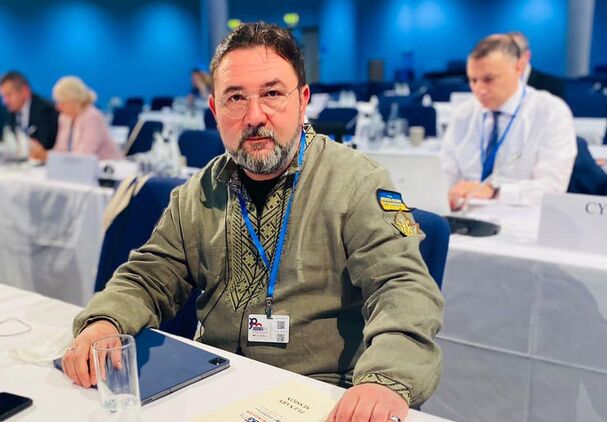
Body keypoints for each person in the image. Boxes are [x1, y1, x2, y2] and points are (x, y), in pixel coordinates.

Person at [62, 22, 443, 422]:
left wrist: (384, 380)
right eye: (236, 98)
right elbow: (150, 274)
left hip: (320, 395)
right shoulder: (199, 191)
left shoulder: (356, 182)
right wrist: (106, 321)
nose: (254, 116)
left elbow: (402, 287)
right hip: (214, 385)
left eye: (272, 94)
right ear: (215, 110)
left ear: (303, 101)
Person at [442, 34, 576, 210]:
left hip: (524, 218)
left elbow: (552, 188)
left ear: (519, 68)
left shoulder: (551, 112)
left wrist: (495, 192)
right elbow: (445, 176)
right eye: (473, 80)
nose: (479, 90)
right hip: (465, 216)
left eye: (489, 79)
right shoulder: (464, 114)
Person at [0, 71, 59, 161]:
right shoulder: (11, 111)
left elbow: (42, 147)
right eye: (3, 96)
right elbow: (8, 140)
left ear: (25, 91)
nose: (5, 101)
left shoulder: (46, 110)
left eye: (8, 95)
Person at [49, 76, 122, 160]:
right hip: (79, 165)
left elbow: (85, 153)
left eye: (62, 103)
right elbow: (60, 149)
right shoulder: (65, 118)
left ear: (74, 101)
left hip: (107, 165)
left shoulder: (92, 117)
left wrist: (48, 157)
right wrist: (48, 157)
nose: (58, 107)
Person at [509, 31, 566, 100]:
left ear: (527, 55)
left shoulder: (553, 86)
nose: (507, 58)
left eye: (513, 53)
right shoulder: (499, 82)